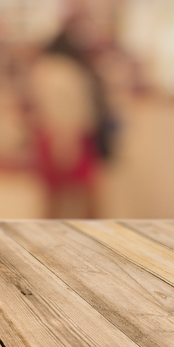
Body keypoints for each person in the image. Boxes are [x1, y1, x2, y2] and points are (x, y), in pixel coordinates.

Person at [27, 27, 114, 219]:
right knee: (85, 194)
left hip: (56, 135)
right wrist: (66, 140)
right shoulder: (66, 71)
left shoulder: (45, 70)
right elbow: (68, 110)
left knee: (56, 196)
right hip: (70, 136)